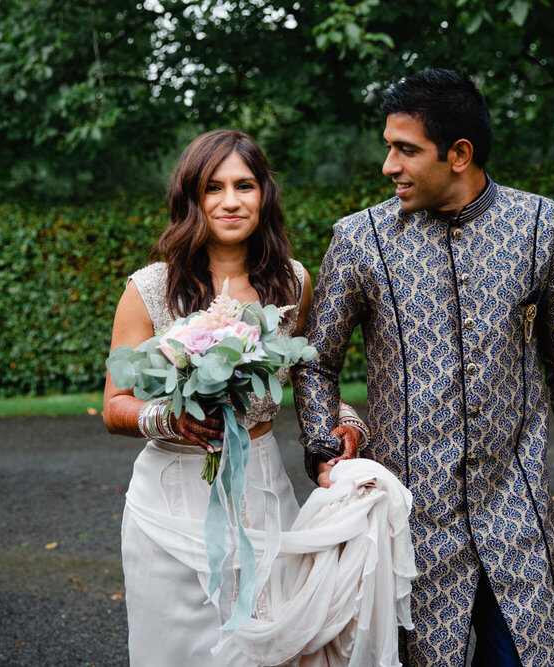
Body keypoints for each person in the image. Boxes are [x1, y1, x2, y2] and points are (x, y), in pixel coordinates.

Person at [292, 68, 554, 667]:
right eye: (388, 147)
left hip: (516, 511)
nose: (389, 165)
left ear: (459, 154)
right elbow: (315, 361)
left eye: (406, 149)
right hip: (410, 526)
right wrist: (325, 440)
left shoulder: (539, 226)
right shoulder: (359, 240)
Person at [103, 129, 395, 665]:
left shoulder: (293, 283)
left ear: (264, 194)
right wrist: (172, 420)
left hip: (261, 491)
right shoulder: (148, 288)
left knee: (267, 649)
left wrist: (345, 424)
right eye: (214, 188)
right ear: (192, 198)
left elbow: (312, 375)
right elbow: (114, 405)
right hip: (168, 498)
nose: (231, 201)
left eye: (245, 185)